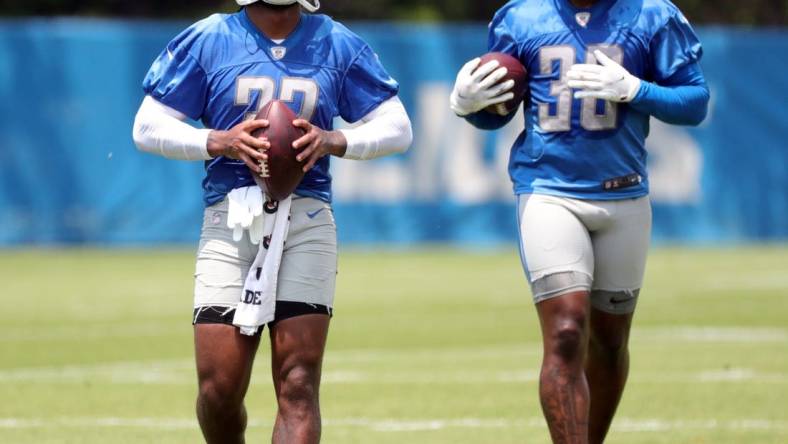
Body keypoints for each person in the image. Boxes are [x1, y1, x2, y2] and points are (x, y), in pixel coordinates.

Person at [132, 1, 413, 442]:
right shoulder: (210, 37)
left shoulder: (335, 40)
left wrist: (337, 139)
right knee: (219, 388)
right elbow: (147, 127)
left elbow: (398, 127)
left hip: (307, 217)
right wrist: (217, 140)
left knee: (298, 381)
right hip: (231, 219)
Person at [449, 0, 709, 442]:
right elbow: (495, 114)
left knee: (609, 343)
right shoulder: (520, 16)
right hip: (549, 192)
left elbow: (695, 101)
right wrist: (468, 104)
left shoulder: (651, 14)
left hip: (623, 194)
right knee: (568, 330)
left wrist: (635, 90)